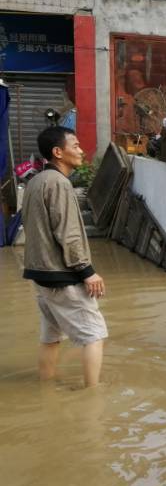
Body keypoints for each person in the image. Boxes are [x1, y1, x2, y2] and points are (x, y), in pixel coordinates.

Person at [21, 126, 107, 388]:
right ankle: (94, 395)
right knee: (94, 334)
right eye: (76, 146)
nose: (81, 151)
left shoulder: (35, 181)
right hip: (62, 277)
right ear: (58, 152)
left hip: (41, 276)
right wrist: (87, 271)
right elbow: (68, 233)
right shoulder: (59, 183)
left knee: (50, 336)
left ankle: (46, 388)